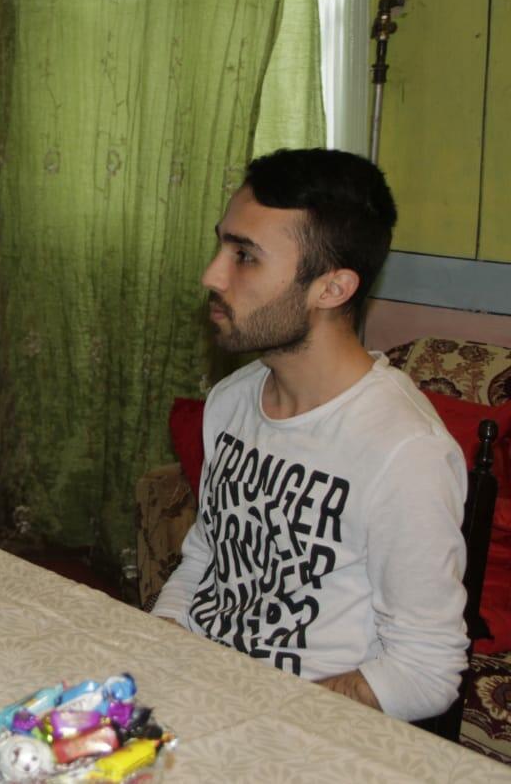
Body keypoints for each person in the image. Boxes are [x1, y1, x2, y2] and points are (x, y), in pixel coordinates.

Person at [151, 148, 468, 722]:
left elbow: (425, 672)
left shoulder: (404, 451)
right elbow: (204, 560)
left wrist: (267, 710)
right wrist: (162, 642)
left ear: (331, 288)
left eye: (245, 256)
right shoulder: (232, 398)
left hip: (302, 724)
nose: (212, 275)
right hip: (199, 694)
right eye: (222, 245)